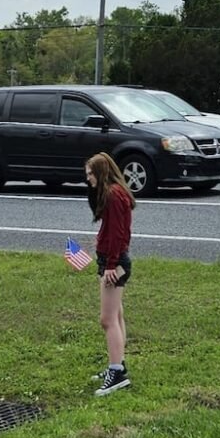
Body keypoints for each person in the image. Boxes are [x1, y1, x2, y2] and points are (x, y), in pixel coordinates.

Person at [86, 152, 134, 396]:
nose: (88, 179)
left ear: (100, 173)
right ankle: (119, 363)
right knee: (116, 315)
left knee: (107, 319)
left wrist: (111, 266)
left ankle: (117, 373)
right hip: (113, 259)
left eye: (90, 175)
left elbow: (117, 235)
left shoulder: (114, 196)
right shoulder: (116, 193)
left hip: (113, 262)